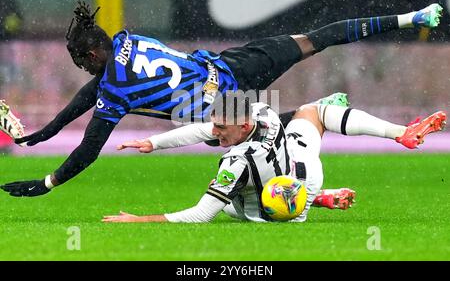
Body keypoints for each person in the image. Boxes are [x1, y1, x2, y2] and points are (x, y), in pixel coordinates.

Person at [0, 1, 444, 197]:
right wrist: (45, 132)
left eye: (81, 59)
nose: (82, 67)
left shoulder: (114, 87)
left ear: (92, 53)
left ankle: (318, 125)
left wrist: (49, 182)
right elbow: (90, 91)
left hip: (223, 114)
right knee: (317, 39)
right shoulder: (124, 40)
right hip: (235, 65)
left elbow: (89, 148)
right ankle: (413, 17)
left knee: (250, 169)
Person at [102, 93, 446, 223]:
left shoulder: (235, 161)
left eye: (223, 128)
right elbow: (202, 131)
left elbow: (199, 215)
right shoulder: (264, 113)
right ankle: (400, 132)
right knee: (314, 111)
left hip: (275, 208)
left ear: (243, 125)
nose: (216, 133)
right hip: (303, 170)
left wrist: (139, 220)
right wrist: (153, 143)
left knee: (223, 203)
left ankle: (308, 204)